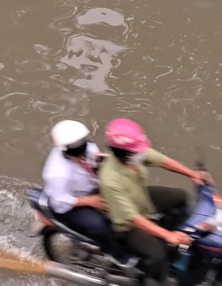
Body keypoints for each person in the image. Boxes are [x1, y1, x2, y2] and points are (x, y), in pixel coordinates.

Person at [98, 118, 210, 286]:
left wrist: (192, 174)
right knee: (158, 254)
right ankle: (149, 277)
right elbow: (133, 218)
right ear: (124, 154)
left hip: (141, 199)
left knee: (180, 198)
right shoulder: (110, 180)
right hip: (127, 225)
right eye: (137, 151)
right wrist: (168, 236)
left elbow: (163, 161)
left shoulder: (136, 154)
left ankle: (165, 235)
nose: (143, 152)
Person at [42, 120, 126, 263]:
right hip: (71, 203)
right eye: (77, 151)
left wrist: (103, 159)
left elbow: (94, 156)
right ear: (65, 150)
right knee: (99, 226)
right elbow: (59, 202)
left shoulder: (84, 148)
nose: (82, 154)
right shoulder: (58, 173)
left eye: (83, 147)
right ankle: (117, 256)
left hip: (90, 188)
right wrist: (90, 201)